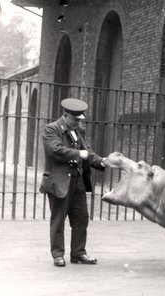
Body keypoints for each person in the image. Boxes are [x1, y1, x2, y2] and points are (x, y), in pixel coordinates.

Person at [40, 98, 108, 267]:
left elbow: (88, 152)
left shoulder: (77, 131)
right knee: (58, 219)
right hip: (59, 182)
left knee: (81, 219)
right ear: (65, 115)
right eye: (75, 119)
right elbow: (55, 150)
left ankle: (78, 253)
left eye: (79, 120)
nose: (78, 123)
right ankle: (57, 255)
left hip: (77, 182)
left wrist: (102, 161)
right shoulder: (51, 129)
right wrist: (78, 155)